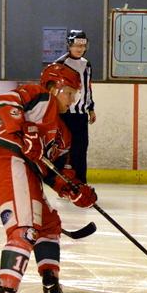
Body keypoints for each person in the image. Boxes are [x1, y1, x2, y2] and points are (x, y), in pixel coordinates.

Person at [0, 63, 98, 293]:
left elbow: (56, 173)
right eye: (70, 93)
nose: (72, 100)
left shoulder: (64, 134)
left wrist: (74, 190)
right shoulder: (41, 98)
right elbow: (3, 101)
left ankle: (51, 283)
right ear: (54, 87)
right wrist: (23, 129)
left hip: (28, 172)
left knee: (48, 226)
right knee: (24, 229)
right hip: (8, 160)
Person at [55, 29, 95, 183]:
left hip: (80, 115)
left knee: (81, 148)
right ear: (69, 45)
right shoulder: (60, 64)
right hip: (64, 115)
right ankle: (63, 182)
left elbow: (87, 88)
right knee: (64, 149)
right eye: (77, 45)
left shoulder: (87, 64)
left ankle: (80, 182)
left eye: (83, 46)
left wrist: (91, 108)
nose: (80, 49)